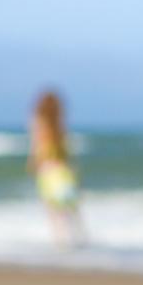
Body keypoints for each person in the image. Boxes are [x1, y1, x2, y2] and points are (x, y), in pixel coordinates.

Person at [27, 90, 85, 248]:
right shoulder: (60, 123)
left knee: (53, 211)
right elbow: (66, 152)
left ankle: (61, 243)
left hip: (48, 171)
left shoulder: (38, 122)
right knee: (72, 209)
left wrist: (33, 165)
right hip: (64, 170)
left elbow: (36, 148)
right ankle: (80, 241)